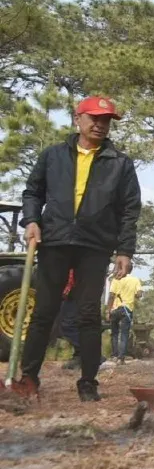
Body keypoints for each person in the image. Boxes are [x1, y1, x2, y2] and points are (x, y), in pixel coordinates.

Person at [17, 96, 142, 400]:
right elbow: (33, 192)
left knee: (88, 314)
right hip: (55, 241)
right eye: (95, 118)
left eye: (107, 120)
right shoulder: (53, 156)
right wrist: (31, 221)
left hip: (94, 246)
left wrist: (125, 250)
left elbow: (129, 209)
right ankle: (28, 379)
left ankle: (88, 382)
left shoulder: (120, 164)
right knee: (44, 312)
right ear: (78, 118)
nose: (100, 125)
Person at [106, 261, 142, 364]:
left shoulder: (116, 279)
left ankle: (114, 355)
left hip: (115, 309)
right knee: (124, 334)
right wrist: (133, 295)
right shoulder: (135, 280)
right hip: (127, 309)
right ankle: (121, 358)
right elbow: (139, 294)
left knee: (114, 333)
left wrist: (108, 311)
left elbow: (111, 296)